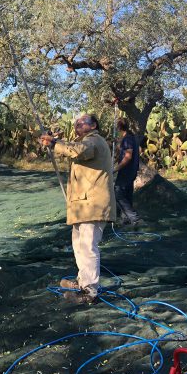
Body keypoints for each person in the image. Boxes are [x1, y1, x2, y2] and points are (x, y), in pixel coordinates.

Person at [40, 114, 116, 304]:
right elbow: (72, 148)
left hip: (93, 204)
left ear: (93, 125)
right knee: (79, 245)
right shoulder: (83, 142)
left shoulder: (94, 141)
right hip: (83, 205)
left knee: (88, 246)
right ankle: (83, 281)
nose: (77, 126)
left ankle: (90, 291)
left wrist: (55, 142)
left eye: (81, 123)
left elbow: (79, 150)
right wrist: (52, 141)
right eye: (75, 124)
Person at [113, 118, 141, 225]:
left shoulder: (127, 139)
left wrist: (115, 169)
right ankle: (126, 219)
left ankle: (134, 218)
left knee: (118, 193)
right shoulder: (130, 138)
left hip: (127, 171)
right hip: (132, 170)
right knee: (127, 194)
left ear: (119, 127)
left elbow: (128, 157)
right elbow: (124, 154)